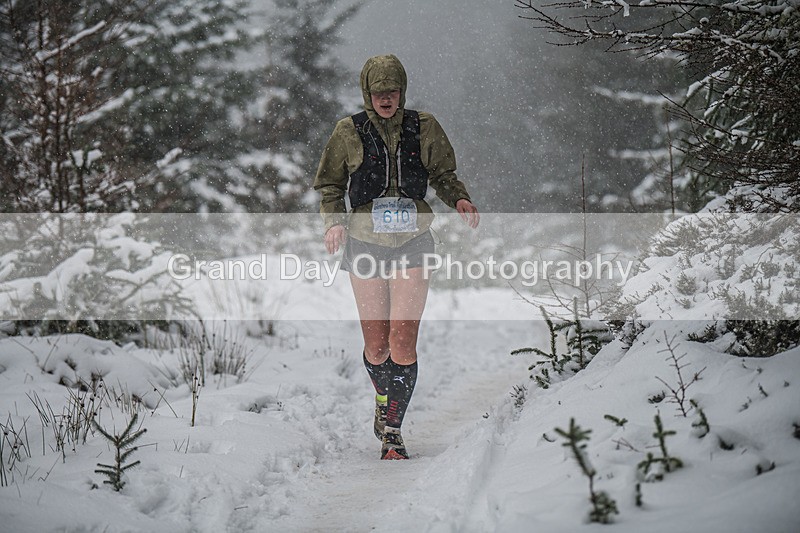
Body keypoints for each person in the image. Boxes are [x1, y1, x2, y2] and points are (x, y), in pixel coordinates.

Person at [313, 54, 479, 460]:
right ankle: (383, 397)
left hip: (413, 242)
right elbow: (330, 184)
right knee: (377, 347)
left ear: (402, 91)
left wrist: (458, 198)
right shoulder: (348, 131)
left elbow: (443, 175)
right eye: (378, 93)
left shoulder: (424, 126)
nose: (386, 99)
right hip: (365, 243)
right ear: (367, 94)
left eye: (392, 91)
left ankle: (392, 430)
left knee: (402, 343)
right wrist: (334, 223)